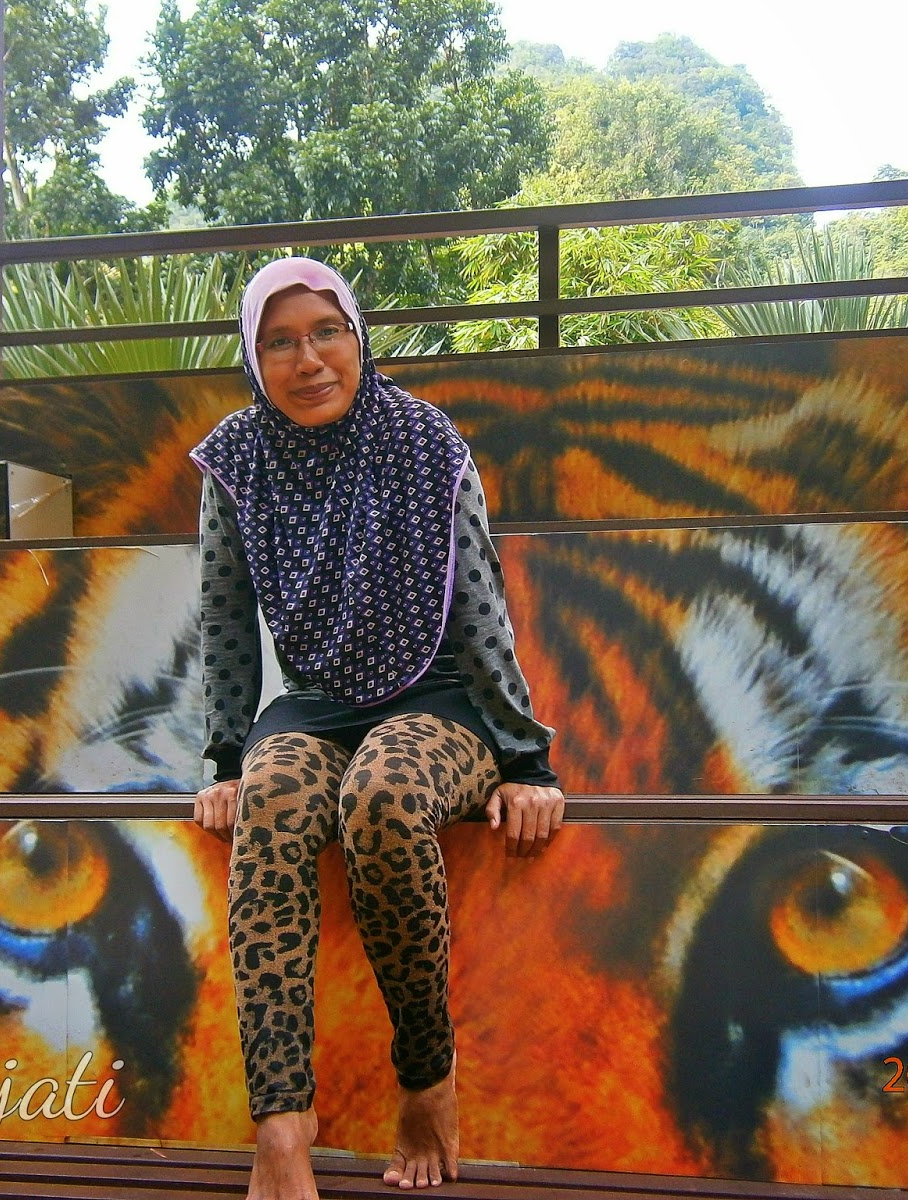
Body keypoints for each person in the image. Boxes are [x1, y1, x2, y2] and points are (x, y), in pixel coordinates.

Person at [190, 257, 565, 1200]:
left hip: (441, 697)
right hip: (317, 703)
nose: (308, 359)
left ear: (358, 337)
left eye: (327, 331)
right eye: (280, 341)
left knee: (384, 795)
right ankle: (281, 1123)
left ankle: (427, 1079)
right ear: (253, 358)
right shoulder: (236, 459)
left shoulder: (423, 439)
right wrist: (229, 757)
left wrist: (527, 761)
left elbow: (480, 605)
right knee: (272, 797)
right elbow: (226, 618)